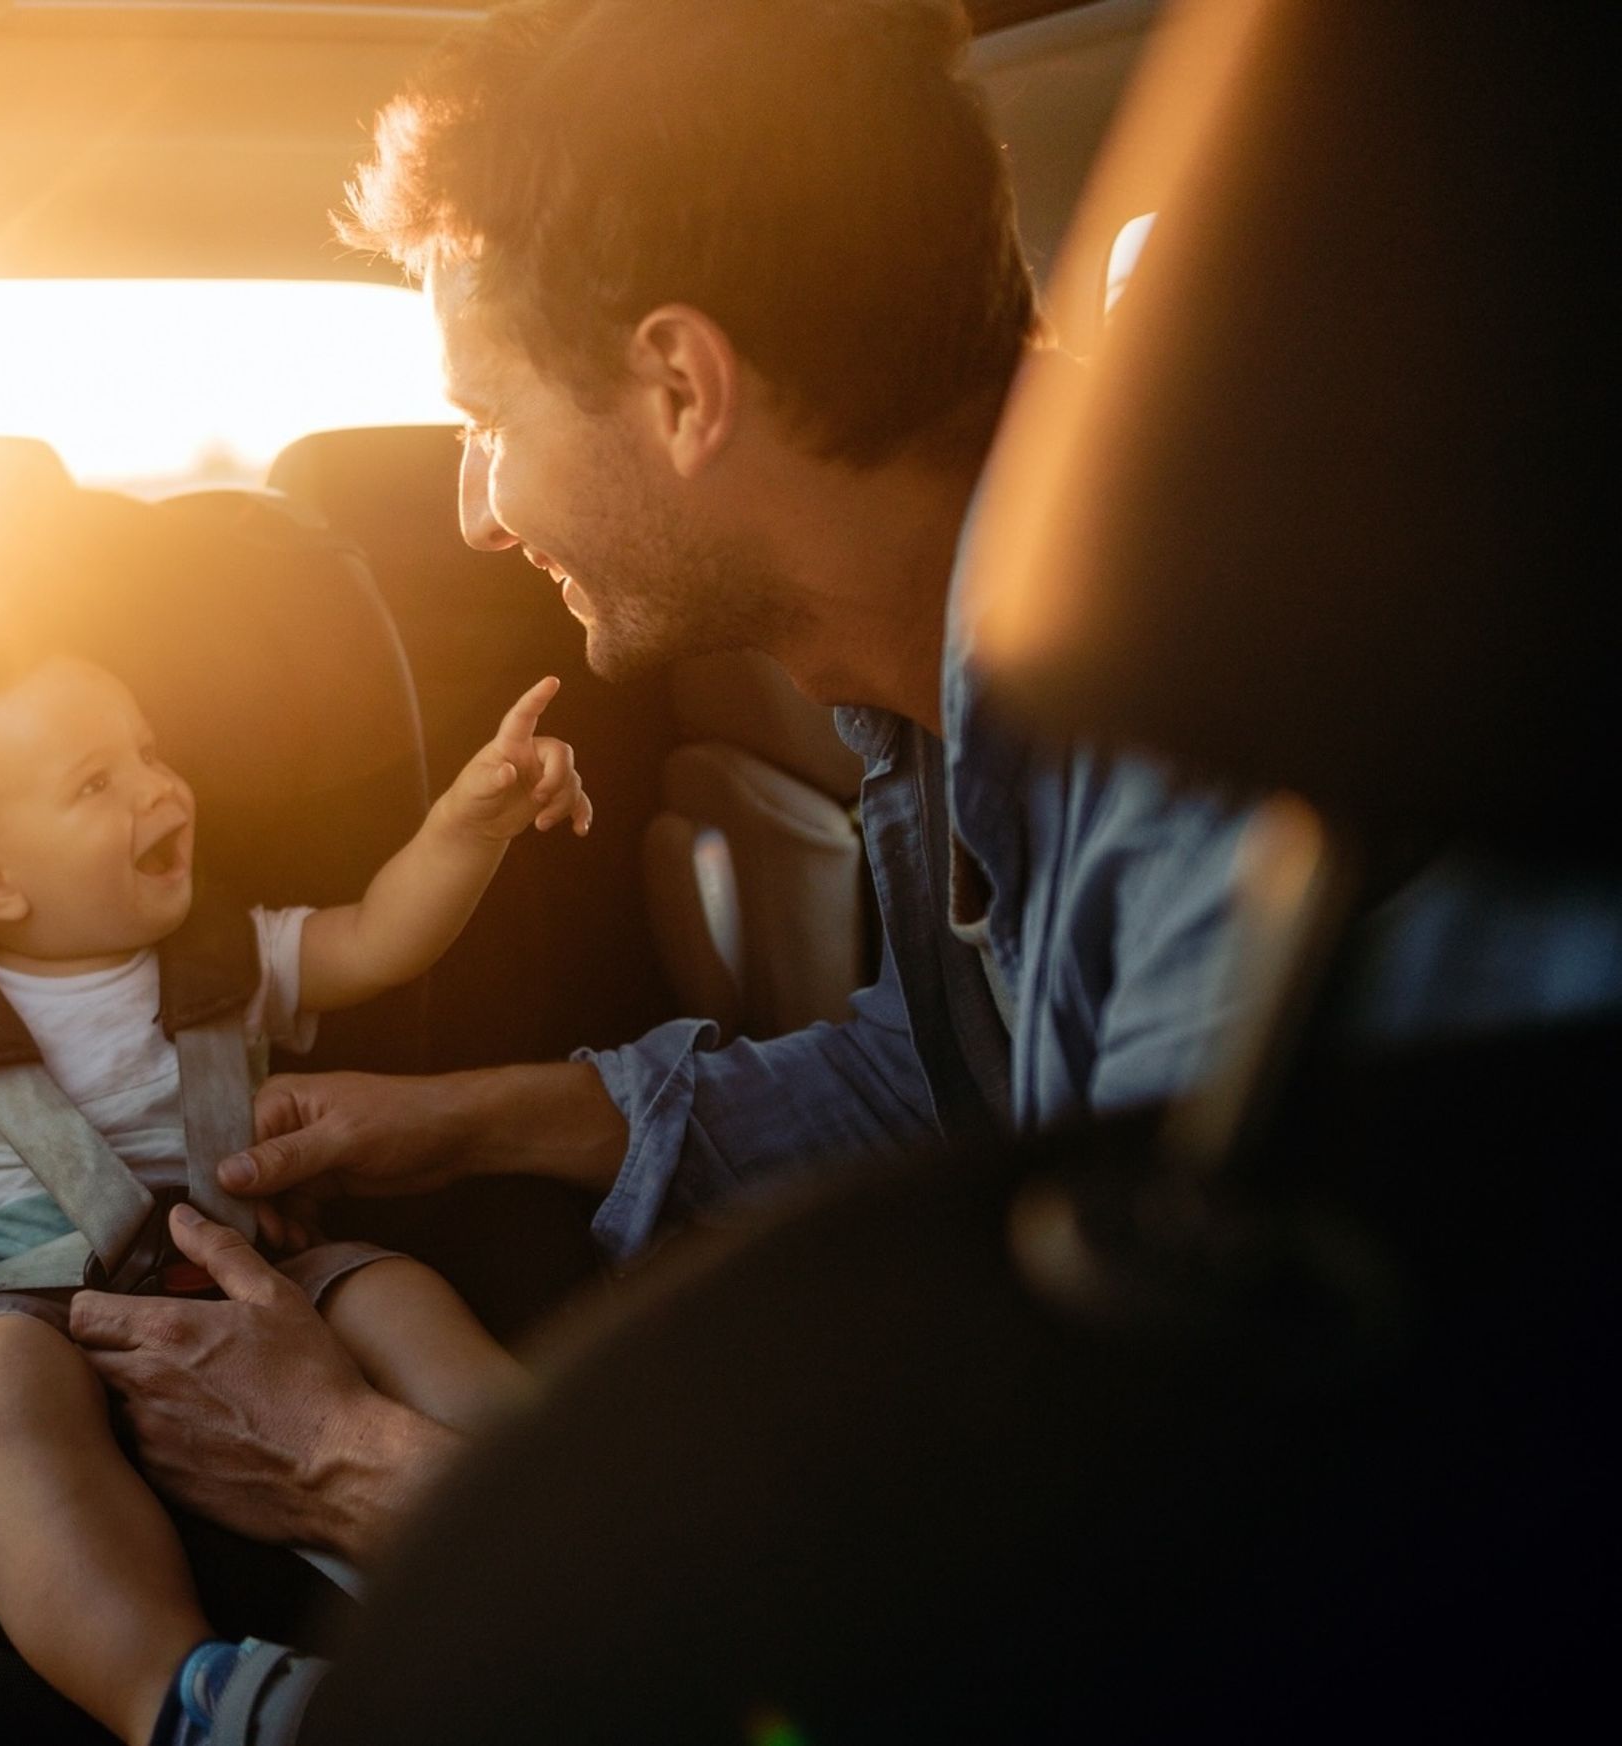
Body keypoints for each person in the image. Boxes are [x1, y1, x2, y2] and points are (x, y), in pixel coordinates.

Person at [67, 0, 1252, 1571]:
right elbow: (954, 1068)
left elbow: (1146, 1567)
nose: (480, 513)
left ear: (685, 388)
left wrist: (349, 1463)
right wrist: (476, 1119)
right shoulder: (959, 691)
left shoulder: (1206, 767)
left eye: (490, 419)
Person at [0, 643, 572, 1744]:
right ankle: (180, 1695)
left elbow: (378, 939)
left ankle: (567, 1513)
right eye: (96, 783)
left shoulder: (232, 954)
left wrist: (466, 827)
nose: (158, 787)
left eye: (148, 752)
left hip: (248, 1269)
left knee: (394, 1290)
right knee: (0, 1391)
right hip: (26, 1300)